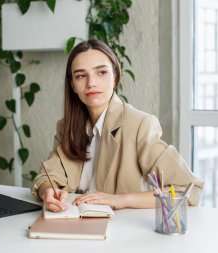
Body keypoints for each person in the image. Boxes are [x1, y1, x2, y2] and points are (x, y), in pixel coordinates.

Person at [31, 39, 204, 212]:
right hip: (70, 221)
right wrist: (48, 191)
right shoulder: (66, 127)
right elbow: (48, 175)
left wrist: (121, 200)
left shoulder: (139, 125)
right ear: (73, 85)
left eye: (101, 73)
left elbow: (189, 189)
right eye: (81, 76)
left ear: (116, 77)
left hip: (121, 229)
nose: (91, 83)